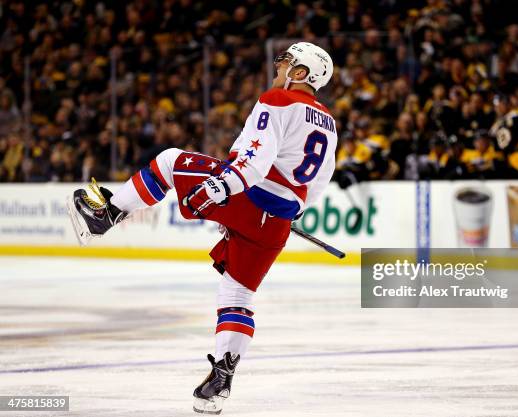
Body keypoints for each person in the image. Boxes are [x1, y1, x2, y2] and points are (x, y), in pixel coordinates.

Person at [66, 42, 336, 414]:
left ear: (302, 73)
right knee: (237, 294)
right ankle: (221, 379)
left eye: (286, 62)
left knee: (169, 160)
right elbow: (315, 185)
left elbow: (254, 163)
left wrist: (218, 188)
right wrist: (287, 212)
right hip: (275, 221)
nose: (278, 67)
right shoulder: (329, 122)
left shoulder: (278, 98)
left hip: (247, 195)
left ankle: (106, 215)